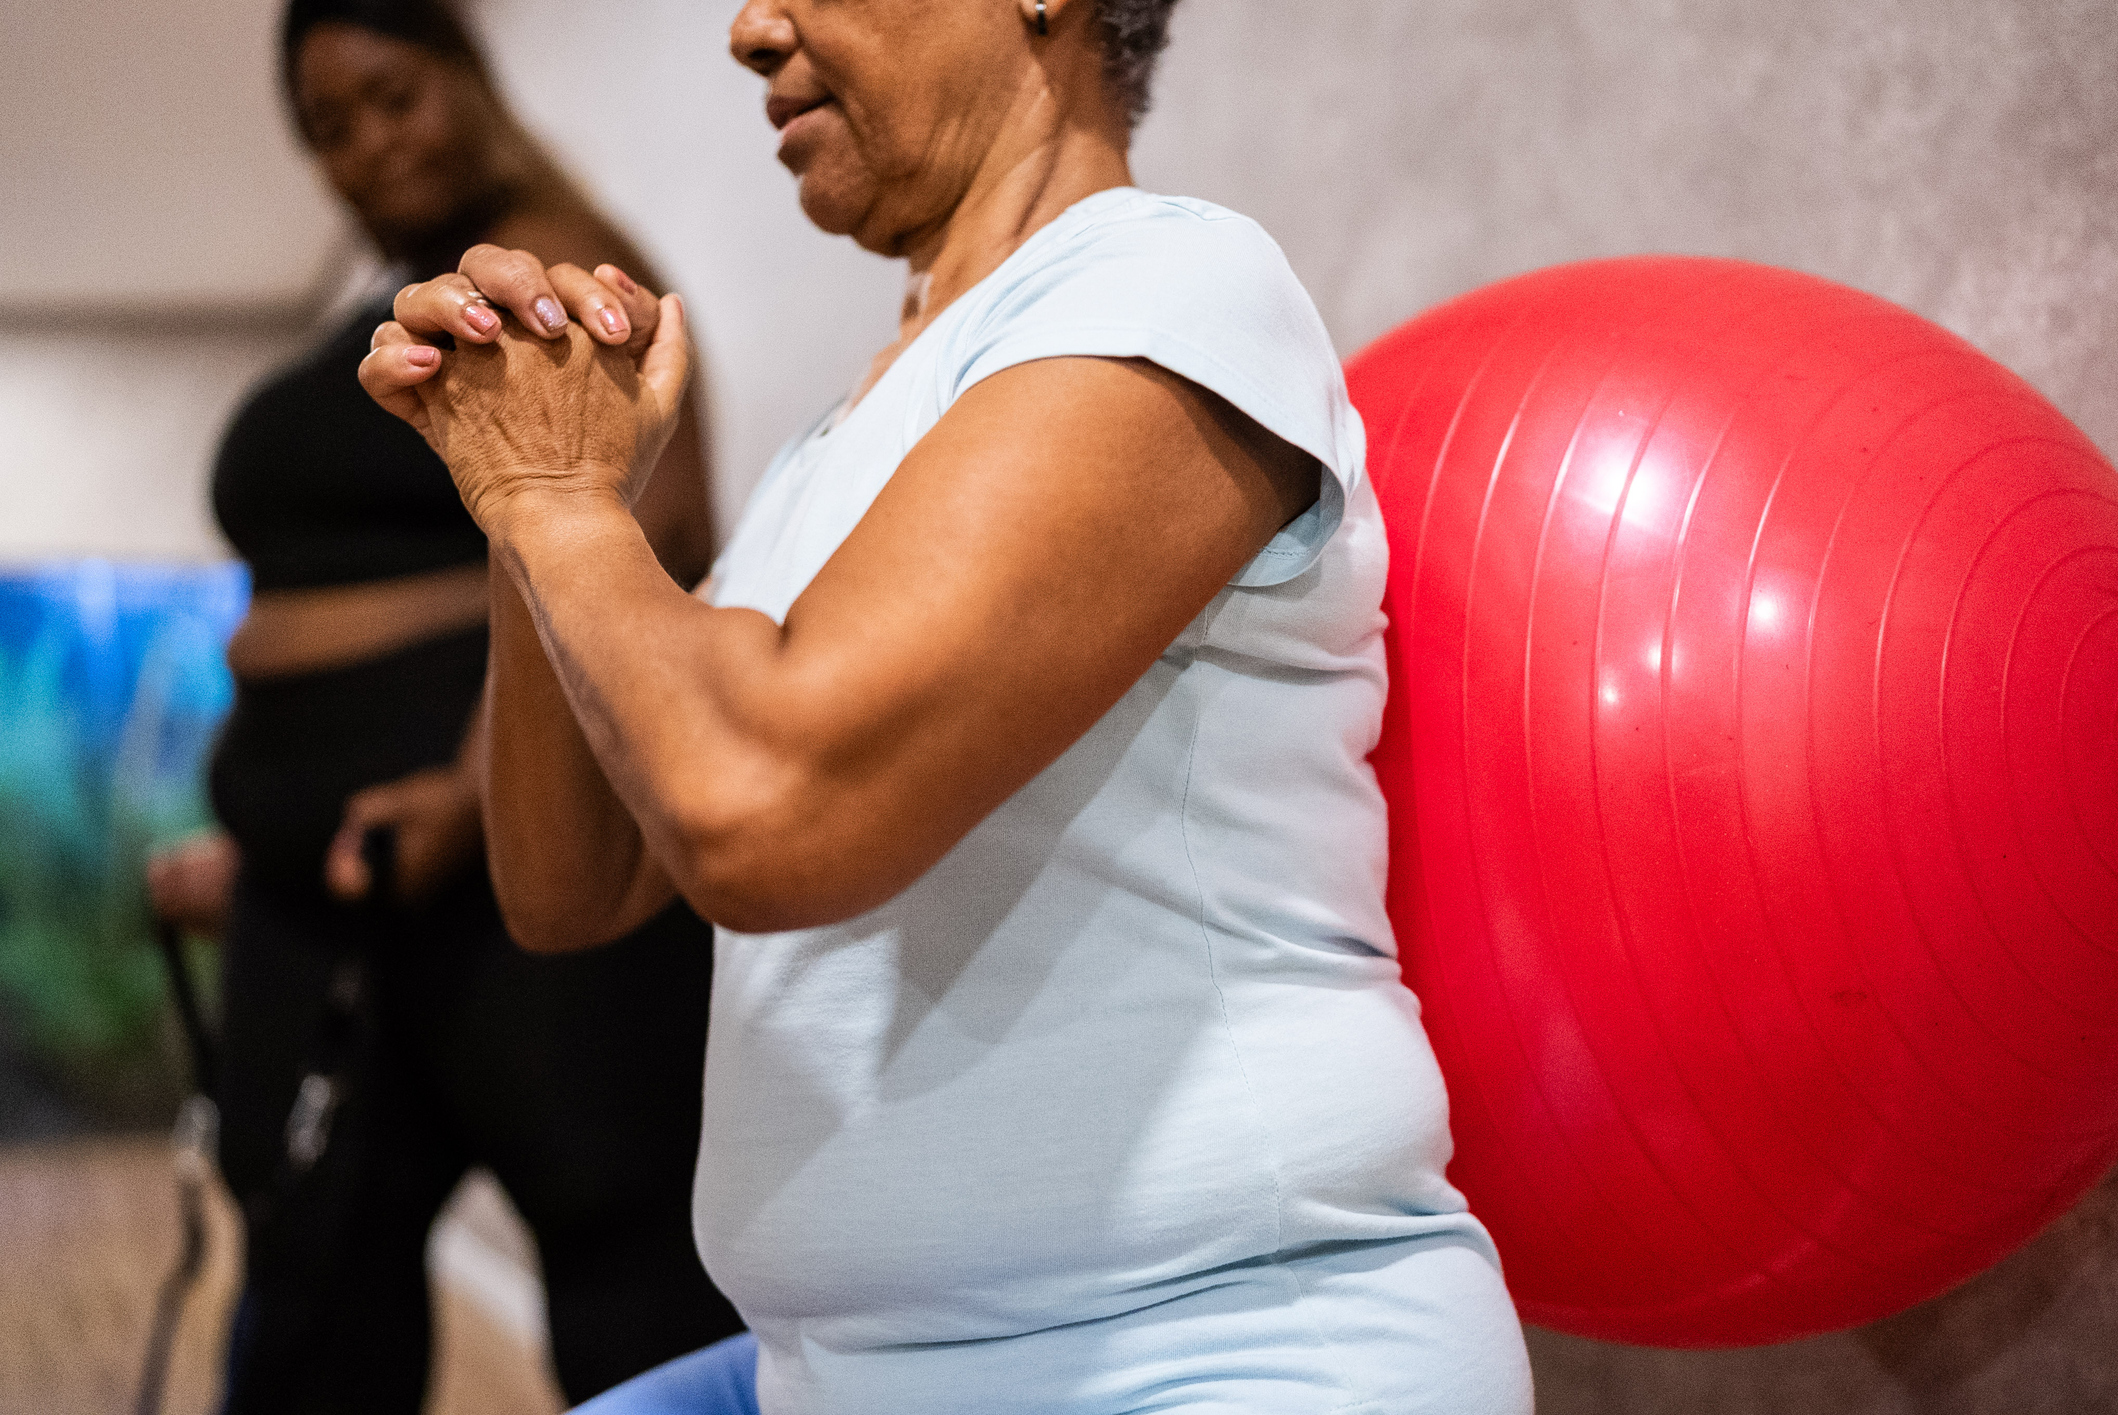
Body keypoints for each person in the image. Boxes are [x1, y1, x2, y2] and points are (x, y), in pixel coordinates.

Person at [359, 0, 1536, 1410]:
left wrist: (551, 498)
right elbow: (573, 882)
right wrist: (534, 490)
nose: (745, 28)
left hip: (1197, 1350)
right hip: (836, 1369)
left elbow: (768, 814)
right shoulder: (841, 439)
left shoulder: (1168, 288)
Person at [144, 0, 744, 1408]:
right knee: (309, 1276)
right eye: (327, 127)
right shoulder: (400, 316)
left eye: (390, 96)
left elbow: (650, 537)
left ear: (471, 77)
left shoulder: (576, 280)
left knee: (625, 1265)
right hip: (323, 889)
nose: (364, 146)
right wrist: (266, 838)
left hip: (498, 868)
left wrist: (474, 793)